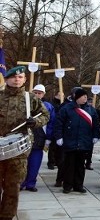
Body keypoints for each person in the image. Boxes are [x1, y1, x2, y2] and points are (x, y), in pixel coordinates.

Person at [0, 66, 49, 220]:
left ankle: (7, 216)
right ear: (7, 79)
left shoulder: (31, 98)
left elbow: (45, 115)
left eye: (20, 77)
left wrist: (35, 121)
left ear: (25, 80)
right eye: (14, 77)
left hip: (18, 152)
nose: (17, 80)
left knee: (12, 187)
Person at [53, 87, 100, 194]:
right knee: (69, 165)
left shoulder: (91, 110)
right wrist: (59, 137)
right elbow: (59, 123)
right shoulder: (66, 108)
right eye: (83, 96)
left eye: (86, 97)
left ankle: (78, 185)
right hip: (70, 141)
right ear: (77, 97)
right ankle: (67, 186)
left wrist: (95, 135)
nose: (85, 98)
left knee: (80, 165)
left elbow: (96, 124)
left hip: (84, 142)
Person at [21, 84, 55, 192]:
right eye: (35, 92)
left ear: (43, 94)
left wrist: (49, 138)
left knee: (34, 163)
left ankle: (31, 183)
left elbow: (51, 122)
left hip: (39, 137)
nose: (37, 95)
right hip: (25, 136)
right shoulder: (25, 104)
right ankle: (21, 183)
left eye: (39, 93)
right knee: (23, 163)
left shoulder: (47, 106)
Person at [47, 91, 63, 170]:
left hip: (60, 127)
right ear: (57, 95)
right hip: (54, 126)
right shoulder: (52, 104)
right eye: (60, 95)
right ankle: (51, 162)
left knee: (59, 147)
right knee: (53, 146)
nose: (62, 96)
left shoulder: (63, 104)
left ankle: (57, 161)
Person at [83, 96, 99, 170]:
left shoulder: (93, 110)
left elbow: (96, 123)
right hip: (83, 133)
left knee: (89, 150)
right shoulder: (81, 109)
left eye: (91, 102)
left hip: (90, 133)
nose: (90, 103)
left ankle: (88, 163)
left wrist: (96, 135)